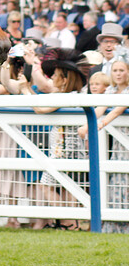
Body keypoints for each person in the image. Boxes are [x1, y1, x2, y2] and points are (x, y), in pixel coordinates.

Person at [22, 48, 90, 230]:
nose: (52, 77)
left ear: (65, 79)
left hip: (66, 151)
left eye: (56, 75)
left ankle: (67, 221)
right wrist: (27, 88)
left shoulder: (67, 96)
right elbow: (42, 103)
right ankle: (72, 223)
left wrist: (24, 90)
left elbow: (40, 109)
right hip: (70, 150)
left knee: (46, 185)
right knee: (70, 190)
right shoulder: (70, 95)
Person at [78, 61, 129, 233]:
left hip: (124, 137)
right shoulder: (111, 91)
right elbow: (100, 109)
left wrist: (100, 124)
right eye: (115, 70)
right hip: (117, 143)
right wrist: (87, 125)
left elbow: (117, 110)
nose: (118, 73)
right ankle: (115, 226)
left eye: (122, 70)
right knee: (116, 182)